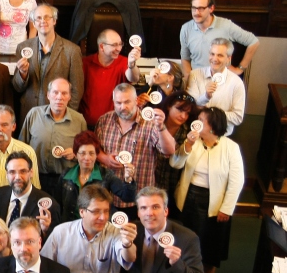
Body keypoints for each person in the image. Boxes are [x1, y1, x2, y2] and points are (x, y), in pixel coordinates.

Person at [170, 107, 244, 273]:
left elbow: (237, 181)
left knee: (211, 248)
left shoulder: (230, 147)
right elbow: (175, 164)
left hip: (214, 206)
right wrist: (187, 146)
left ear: (212, 126)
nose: (197, 122)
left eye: (201, 120)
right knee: (185, 244)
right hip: (187, 200)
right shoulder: (192, 141)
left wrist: (227, 208)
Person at [41, 185, 137, 273]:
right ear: (82, 212)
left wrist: (127, 244)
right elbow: (43, 266)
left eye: (106, 211)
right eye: (96, 211)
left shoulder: (115, 232)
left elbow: (129, 258)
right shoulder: (61, 232)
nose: (103, 217)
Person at [95, 83, 175, 219]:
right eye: (118, 103)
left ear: (136, 101)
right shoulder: (104, 120)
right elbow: (94, 150)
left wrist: (161, 127)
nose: (122, 107)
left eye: (127, 102)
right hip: (107, 197)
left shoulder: (150, 123)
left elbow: (169, 150)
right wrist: (104, 158)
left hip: (139, 199)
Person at [12, 4, 84, 123]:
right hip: (29, 114)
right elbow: (17, 87)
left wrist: (65, 116)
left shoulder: (72, 50)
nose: (43, 21)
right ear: (34, 23)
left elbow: (77, 89)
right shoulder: (23, 48)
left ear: (54, 20)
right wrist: (22, 74)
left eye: (47, 17)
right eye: (38, 18)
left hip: (58, 115)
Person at [20, 77, 87, 194]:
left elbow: (86, 152)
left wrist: (76, 153)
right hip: (35, 177)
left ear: (69, 97)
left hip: (67, 180)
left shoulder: (79, 120)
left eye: (64, 93)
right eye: (55, 92)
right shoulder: (34, 114)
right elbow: (21, 146)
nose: (59, 97)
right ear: (48, 95)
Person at [57, 130, 136, 222]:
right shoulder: (65, 175)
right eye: (82, 153)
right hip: (71, 228)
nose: (87, 158)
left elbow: (128, 198)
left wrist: (128, 179)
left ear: (96, 155)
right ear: (75, 155)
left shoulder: (106, 175)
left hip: (99, 227)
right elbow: (58, 205)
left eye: (91, 153)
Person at [180, 0, 260, 79]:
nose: (196, 12)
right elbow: (185, 57)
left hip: (221, 80)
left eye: (201, 8)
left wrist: (240, 68)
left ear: (211, 8)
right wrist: (188, 77)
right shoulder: (186, 28)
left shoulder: (226, 25)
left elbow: (253, 42)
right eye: (194, 8)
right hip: (197, 79)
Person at [79, 29, 141, 127]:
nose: (119, 48)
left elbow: (134, 78)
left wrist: (131, 64)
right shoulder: (85, 63)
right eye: (114, 45)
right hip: (85, 124)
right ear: (101, 46)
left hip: (112, 126)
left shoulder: (123, 62)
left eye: (120, 44)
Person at [0, 151, 59, 237]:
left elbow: (54, 242)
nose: (18, 177)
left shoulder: (48, 204)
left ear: (31, 173)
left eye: (22, 171)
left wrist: (45, 231)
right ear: (6, 174)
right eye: (12, 172)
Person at [186, 38, 245, 136]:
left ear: (228, 58)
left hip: (221, 136)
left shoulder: (236, 83)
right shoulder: (195, 75)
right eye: (212, 54)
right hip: (195, 133)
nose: (214, 59)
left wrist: (212, 115)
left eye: (220, 55)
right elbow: (191, 106)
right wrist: (206, 96)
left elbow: (238, 117)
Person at [154, 93, 197, 216]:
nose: (183, 116)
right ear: (168, 106)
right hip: (150, 185)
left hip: (174, 188)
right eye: (179, 110)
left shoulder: (188, 133)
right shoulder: (153, 126)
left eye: (187, 113)